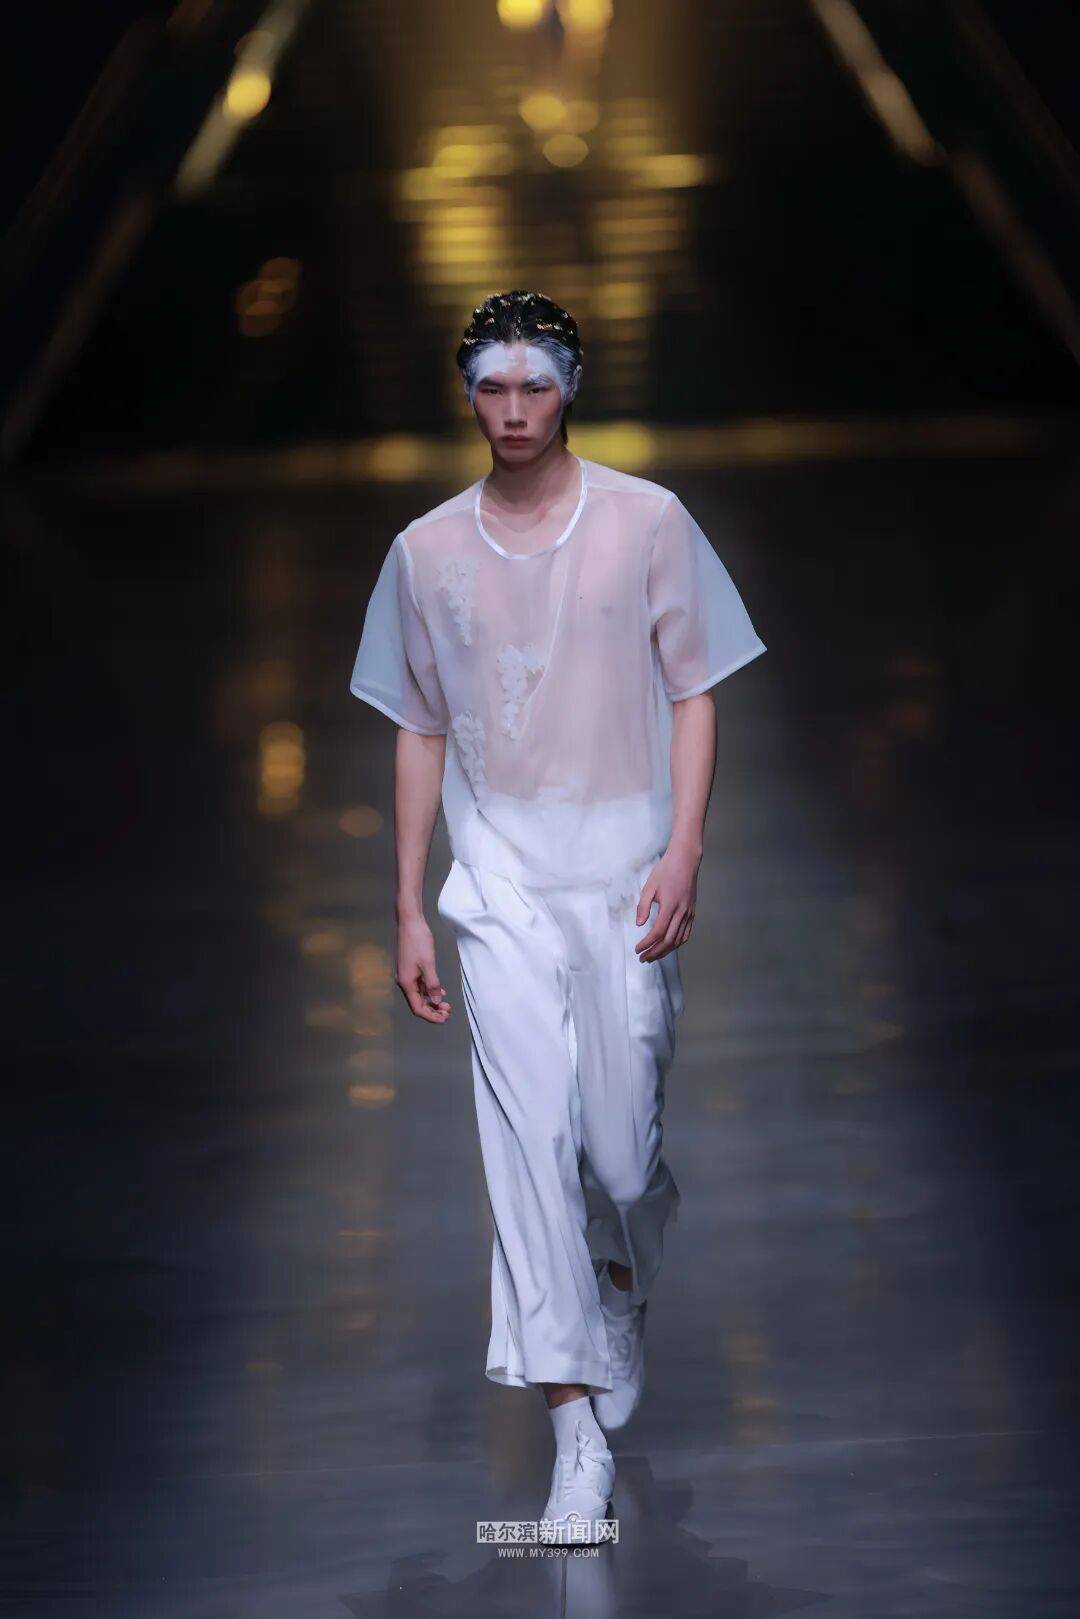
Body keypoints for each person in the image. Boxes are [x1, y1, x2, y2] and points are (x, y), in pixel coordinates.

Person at [349, 290, 766, 1542]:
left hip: (625, 867)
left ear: (571, 386)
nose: (516, 410)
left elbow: (696, 689)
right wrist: (409, 903)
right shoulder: (424, 551)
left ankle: (623, 1263)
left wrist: (685, 847)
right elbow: (419, 725)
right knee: (526, 1148)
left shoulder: (648, 520)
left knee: (621, 1157)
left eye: (536, 385)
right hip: (499, 886)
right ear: (467, 394)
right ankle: (574, 1436)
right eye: (493, 387)